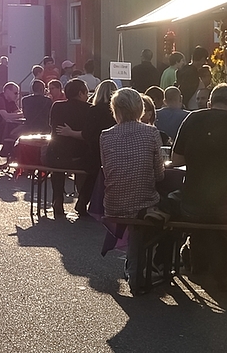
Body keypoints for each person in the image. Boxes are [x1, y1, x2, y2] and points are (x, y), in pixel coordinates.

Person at [100, 88, 169, 294]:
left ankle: (134, 266)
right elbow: (159, 174)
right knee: (162, 206)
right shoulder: (151, 133)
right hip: (143, 201)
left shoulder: (105, 136)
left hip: (113, 202)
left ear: (116, 111)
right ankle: (147, 266)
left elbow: (106, 170)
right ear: (140, 109)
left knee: (135, 208)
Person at [172, 83, 227, 289]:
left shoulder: (192, 118)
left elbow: (175, 160)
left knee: (191, 206)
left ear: (210, 103)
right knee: (220, 212)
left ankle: (199, 260)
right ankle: (218, 269)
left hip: (192, 204)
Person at [44, 79, 91, 218]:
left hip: (55, 156)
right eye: (86, 93)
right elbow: (89, 134)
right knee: (93, 168)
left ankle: (58, 198)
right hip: (80, 157)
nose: (87, 96)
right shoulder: (89, 109)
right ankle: (82, 200)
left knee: (58, 164)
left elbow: (52, 126)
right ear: (81, 93)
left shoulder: (57, 106)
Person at [78, 80, 119, 217]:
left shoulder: (93, 110)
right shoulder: (117, 112)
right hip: (113, 150)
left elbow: (86, 133)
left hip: (94, 150)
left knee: (92, 175)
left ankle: (83, 199)